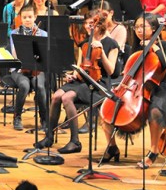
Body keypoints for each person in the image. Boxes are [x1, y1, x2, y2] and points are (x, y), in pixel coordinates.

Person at [100, 13, 166, 168]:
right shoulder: (135, 47)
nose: (139, 30)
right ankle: (112, 147)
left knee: (155, 111)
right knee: (107, 108)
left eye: (143, 26)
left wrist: (155, 47)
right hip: (137, 88)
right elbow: (128, 71)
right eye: (136, 27)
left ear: (154, 28)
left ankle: (153, 151)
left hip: (163, 87)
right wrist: (121, 85)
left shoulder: (165, 45)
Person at [37, 9, 119, 154]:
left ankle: (75, 141)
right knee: (56, 96)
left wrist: (102, 52)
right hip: (82, 80)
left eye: (91, 23)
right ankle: (49, 136)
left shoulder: (111, 44)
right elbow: (81, 67)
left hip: (98, 84)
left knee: (67, 97)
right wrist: (72, 75)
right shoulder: (84, 44)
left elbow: (111, 71)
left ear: (100, 24)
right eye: (87, 23)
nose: (88, 26)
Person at [8, 5, 48, 131]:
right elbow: (15, 54)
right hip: (19, 69)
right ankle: (17, 117)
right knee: (24, 86)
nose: (27, 20)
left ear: (35, 17)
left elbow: (44, 56)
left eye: (30, 17)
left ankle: (44, 119)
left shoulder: (43, 34)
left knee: (40, 87)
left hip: (37, 69)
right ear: (20, 18)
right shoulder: (14, 33)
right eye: (24, 17)